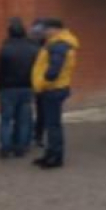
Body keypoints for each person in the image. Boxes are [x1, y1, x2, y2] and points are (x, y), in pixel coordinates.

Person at [31, 19, 79, 169]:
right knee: (52, 124)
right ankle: (50, 154)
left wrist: (44, 83)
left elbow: (54, 70)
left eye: (46, 29)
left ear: (55, 29)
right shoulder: (58, 43)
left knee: (53, 125)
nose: (44, 32)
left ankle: (55, 158)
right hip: (55, 88)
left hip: (52, 89)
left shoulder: (59, 45)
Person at [0, 17, 40, 158]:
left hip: (8, 89)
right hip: (27, 88)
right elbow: (38, 69)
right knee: (24, 120)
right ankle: (20, 147)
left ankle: (5, 147)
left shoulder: (5, 48)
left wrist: (0, 87)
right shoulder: (34, 49)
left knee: (6, 120)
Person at [28, 18, 48, 147]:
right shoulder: (47, 47)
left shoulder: (29, 45)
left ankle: (32, 135)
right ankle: (37, 135)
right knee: (41, 111)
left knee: (30, 110)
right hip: (41, 83)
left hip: (30, 82)